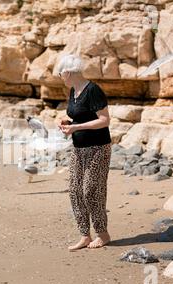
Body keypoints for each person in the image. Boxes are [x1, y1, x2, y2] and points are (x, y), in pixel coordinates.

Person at [56, 54, 112, 250]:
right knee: (75, 191)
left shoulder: (93, 90)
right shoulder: (73, 91)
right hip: (78, 149)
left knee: (91, 191)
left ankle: (103, 234)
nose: (59, 76)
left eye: (59, 72)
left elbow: (104, 120)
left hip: (98, 148)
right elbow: (76, 116)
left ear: (68, 72)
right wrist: (65, 122)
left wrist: (75, 128)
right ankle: (85, 235)